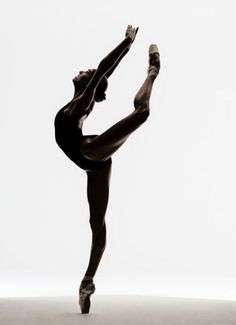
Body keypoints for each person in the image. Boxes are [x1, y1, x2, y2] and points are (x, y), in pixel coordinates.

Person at [54, 25, 160, 314]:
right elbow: (102, 74)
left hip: (89, 150)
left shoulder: (81, 103)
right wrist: (102, 73)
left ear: (91, 84)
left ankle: (153, 72)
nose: (83, 70)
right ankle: (87, 283)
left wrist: (127, 42)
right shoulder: (79, 101)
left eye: (86, 72)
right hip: (94, 165)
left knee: (142, 113)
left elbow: (103, 69)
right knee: (96, 223)